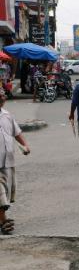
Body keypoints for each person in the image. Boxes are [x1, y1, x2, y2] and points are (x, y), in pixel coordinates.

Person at [0, 89, 30, 235]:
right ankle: (4, 220)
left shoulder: (7, 115)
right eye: (0, 95)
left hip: (8, 161)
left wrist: (25, 145)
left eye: (3, 95)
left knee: (5, 190)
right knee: (0, 193)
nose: (3, 97)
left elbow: (16, 132)